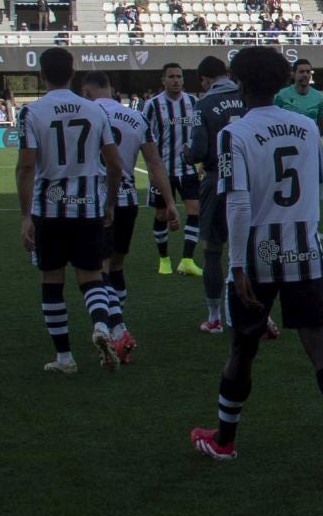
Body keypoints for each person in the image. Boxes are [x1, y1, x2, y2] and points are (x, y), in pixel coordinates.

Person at [190, 47, 323, 477]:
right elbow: (322, 184)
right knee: (320, 345)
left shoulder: (235, 133)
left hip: (258, 255)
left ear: (241, 84)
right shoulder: (306, 126)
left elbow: (240, 202)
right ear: (284, 81)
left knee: (242, 350)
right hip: (305, 250)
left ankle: (225, 440)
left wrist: (238, 264)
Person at [16, 47, 126, 374]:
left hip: (48, 210)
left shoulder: (31, 112)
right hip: (88, 206)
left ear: (41, 75)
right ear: (73, 73)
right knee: (91, 275)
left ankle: (65, 358)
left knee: (52, 279)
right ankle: (101, 327)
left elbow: (26, 167)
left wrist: (25, 216)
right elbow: (115, 165)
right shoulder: (95, 111)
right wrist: (108, 204)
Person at [84, 70, 179, 365]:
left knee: (97, 270)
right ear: (110, 88)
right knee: (117, 266)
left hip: (98, 200)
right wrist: (169, 201)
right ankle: (116, 327)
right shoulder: (136, 117)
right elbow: (154, 162)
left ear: (87, 91)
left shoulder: (86, 114)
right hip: (128, 200)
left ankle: (117, 329)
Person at [184, 55, 249, 334]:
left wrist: (186, 154)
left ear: (204, 80)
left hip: (217, 178)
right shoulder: (247, 97)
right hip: (250, 179)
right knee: (250, 249)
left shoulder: (204, 104)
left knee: (212, 250)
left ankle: (214, 317)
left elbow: (197, 151)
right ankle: (260, 314)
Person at [141, 62, 202, 277]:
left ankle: (187, 259)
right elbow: (144, 137)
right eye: (172, 76)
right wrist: (151, 167)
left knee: (195, 211)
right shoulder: (152, 106)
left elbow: (199, 133)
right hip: (162, 170)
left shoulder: (194, 102)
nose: (176, 80)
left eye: (179, 76)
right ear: (163, 80)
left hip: (187, 169)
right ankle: (164, 259)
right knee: (160, 215)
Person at [273, 57, 323, 137]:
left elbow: (322, 128)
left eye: (308, 72)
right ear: (293, 74)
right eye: (301, 72)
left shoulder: (319, 98)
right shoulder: (281, 96)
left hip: (310, 144)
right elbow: (273, 121)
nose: (305, 75)